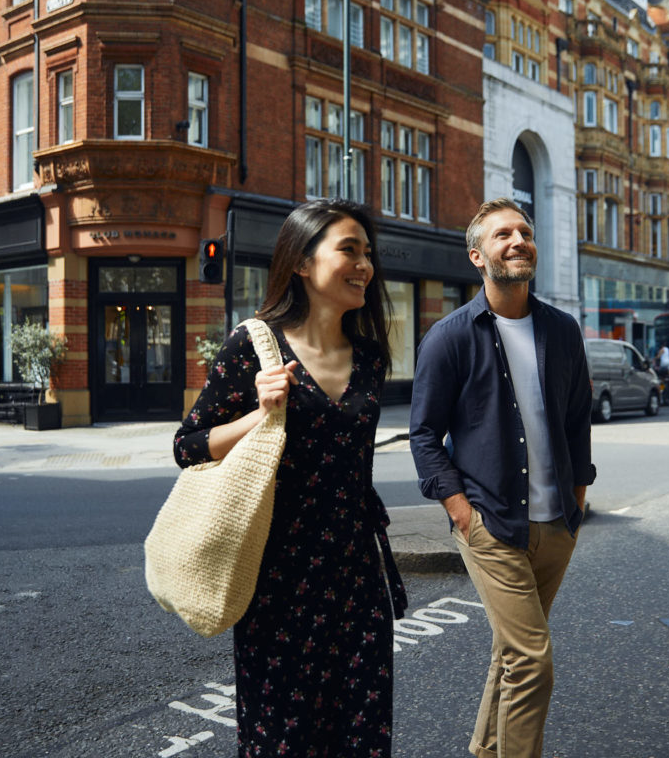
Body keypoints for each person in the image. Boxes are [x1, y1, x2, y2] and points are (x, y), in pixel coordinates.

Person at [173, 199, 406, 758]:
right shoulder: (254, 347)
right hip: (278, 578)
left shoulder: (370, 357)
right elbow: (188, 447)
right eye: (348, 249)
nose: (364, 265)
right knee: (283, 740)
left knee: (362, 734)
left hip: (356, 575)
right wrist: (259, 412)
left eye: (367, 253)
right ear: (302, 263)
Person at [409, 198, 595, 758]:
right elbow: (423, 437)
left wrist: (578, 495)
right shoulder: (450, 336)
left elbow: (576, 418)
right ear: (477, 255)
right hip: (491, 522)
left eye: (525, 231)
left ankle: (486, 750)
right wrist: (460, 511)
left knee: (513, 655)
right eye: (501, 235)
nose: (517, 241)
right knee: (534, 661)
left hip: (556, 522)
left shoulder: (562, 330)